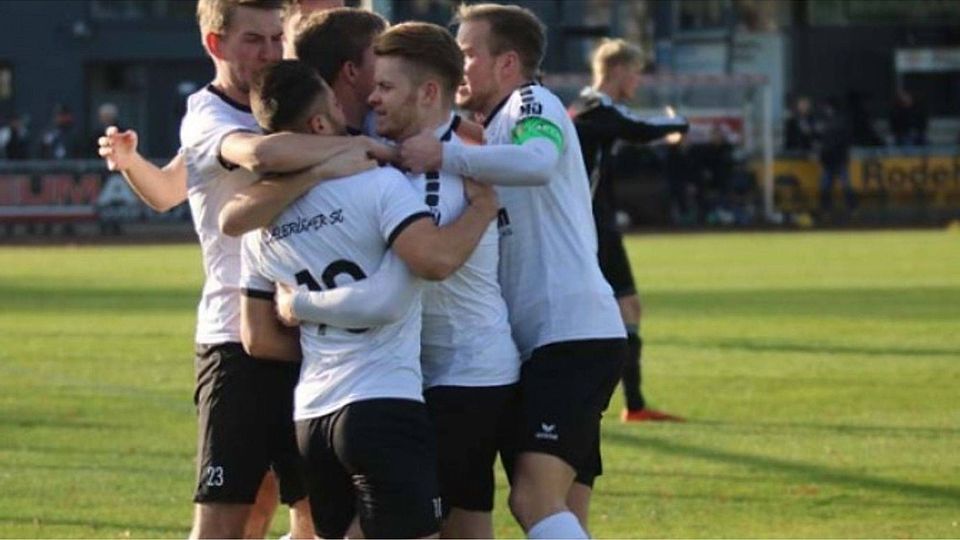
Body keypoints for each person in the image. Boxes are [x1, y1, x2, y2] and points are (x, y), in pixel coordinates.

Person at [96, 0, 380, 537]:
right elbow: (259, 154)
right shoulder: (208, 115)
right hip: (234, 340)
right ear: (215, 45)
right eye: (255, 40)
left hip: (307, 333)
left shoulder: (290, 99)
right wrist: (343, 151)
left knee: (316, 516)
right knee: (230, 516)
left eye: (277, 37)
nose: (271, 52)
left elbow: (168, 191)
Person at [238, 59, 500, 538]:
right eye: (336, 102)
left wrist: (300, 308)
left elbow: (255, 335)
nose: (352, 108)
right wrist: (483, 209)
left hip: (312, 417)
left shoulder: (260, 226)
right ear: (319, 123)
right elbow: (411, 281)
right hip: (382, 404)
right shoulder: (379, 185)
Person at [399, 4, 627, 537]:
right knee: (564, 508)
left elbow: (539, 161)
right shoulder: (490, 126)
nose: (459, 68)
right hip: (550, 341)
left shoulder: (531, 101)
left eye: (468, 54)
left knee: (532, 499)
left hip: (569, 336)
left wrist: (444, 157)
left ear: (507, 63)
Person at [368, 22, 520, 538]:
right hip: (439, 372)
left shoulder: (450, 163)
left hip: (464, 374)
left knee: (443, 522)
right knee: (462, 517)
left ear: (429, 92)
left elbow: (430, 260)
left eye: (386, 86)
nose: (373, 97)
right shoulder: (415, 157)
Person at [569, 38, 687, 423]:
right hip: (590, 227)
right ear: (618, 70)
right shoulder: (593, 108)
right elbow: (636, 128)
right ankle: (629, 404)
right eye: (635, 72)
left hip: (592, 224)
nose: (637, 81)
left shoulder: (589, 109)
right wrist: (678, 122)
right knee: (619, 309)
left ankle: (631, 403)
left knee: (620, 308)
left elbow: (627, 132)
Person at [817, 99, 855, 216]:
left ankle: (828, 209)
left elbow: (831, 142)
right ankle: (849, 209)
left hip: (835, 159)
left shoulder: (832, 124)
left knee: (832, 185)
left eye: (827, 107)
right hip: (834, 159)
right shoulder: (834, 122)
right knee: (838, 185)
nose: (825, 110)